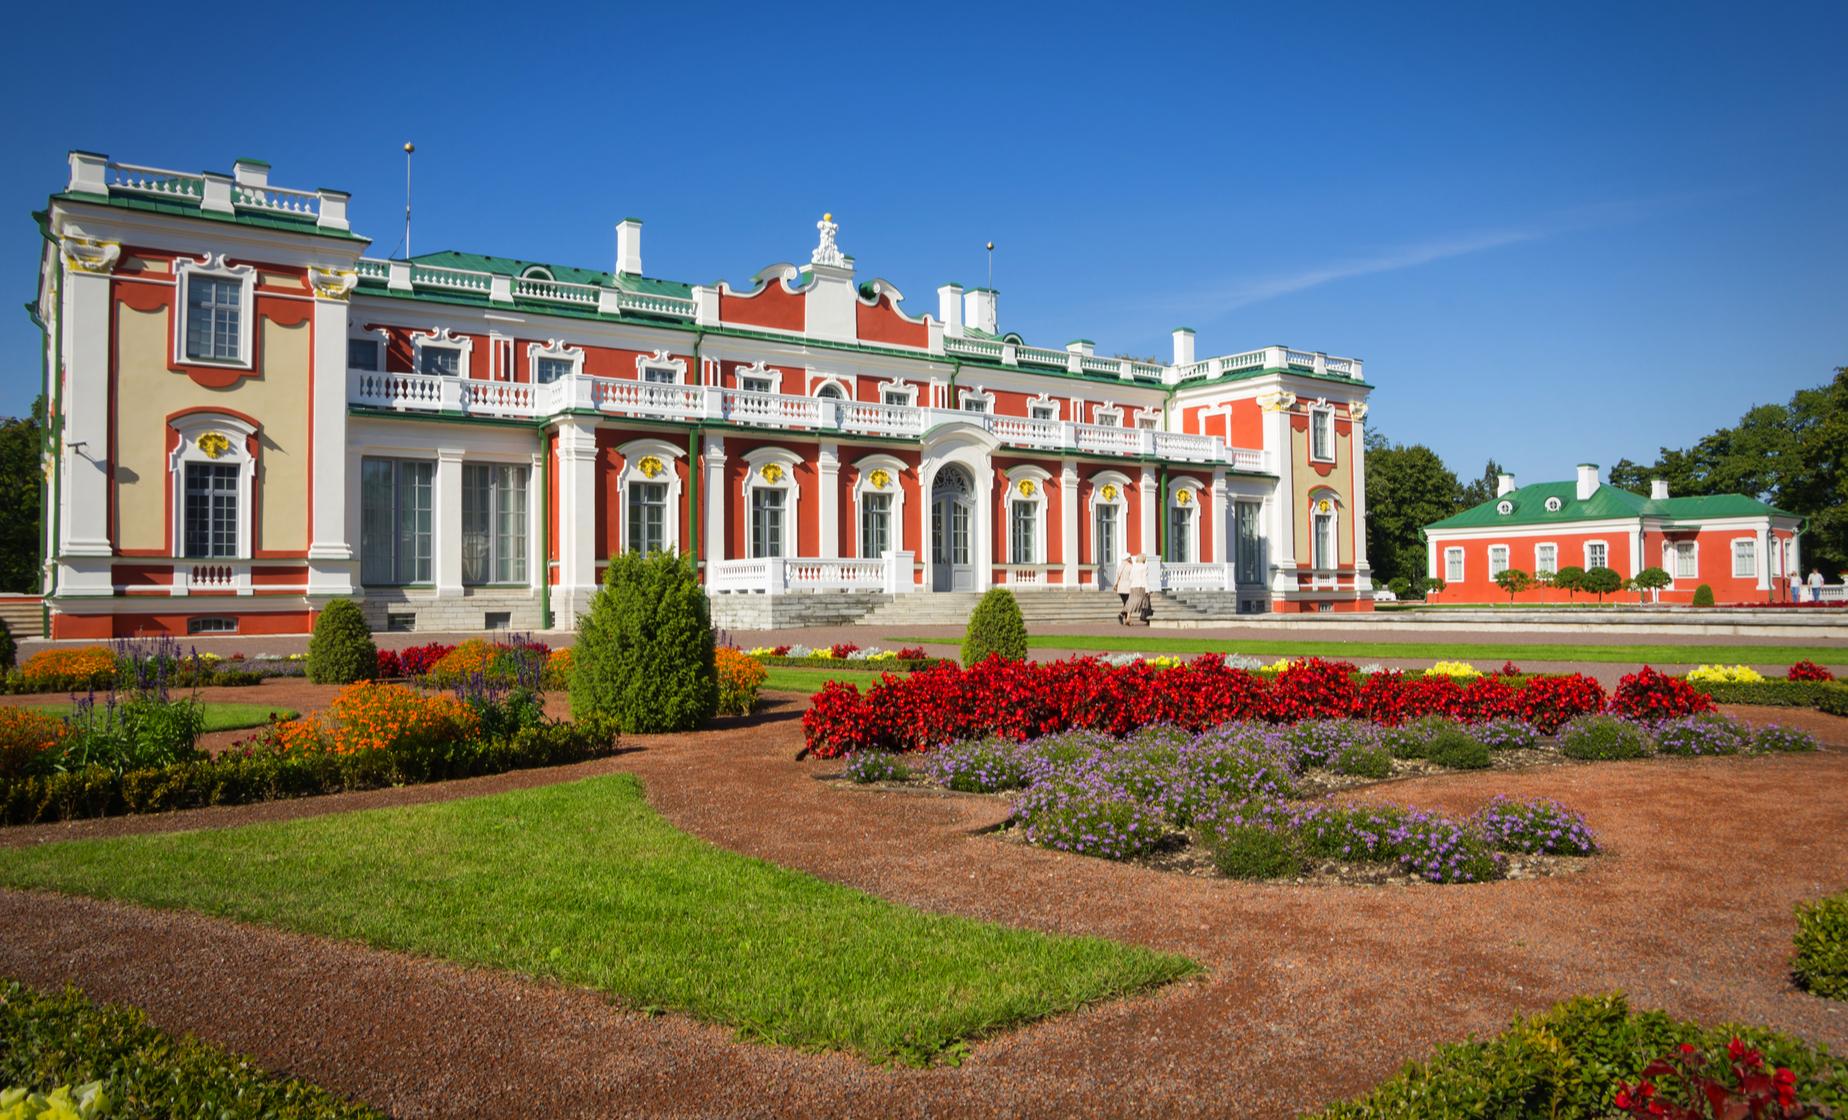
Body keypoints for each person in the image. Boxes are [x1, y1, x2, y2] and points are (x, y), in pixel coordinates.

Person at [1124, 553, 1152, 627]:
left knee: (1132, 601)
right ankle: (1146, 618)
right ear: (1144, 559)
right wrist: (1148, 589)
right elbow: (1145, 579)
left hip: (1133, 586)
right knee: (1145, 601)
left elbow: (1130, 577)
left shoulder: (1134, 567)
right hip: (1141, 586)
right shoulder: (1144, 567)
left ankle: (1128, 618)